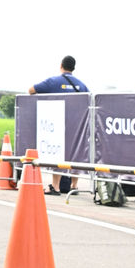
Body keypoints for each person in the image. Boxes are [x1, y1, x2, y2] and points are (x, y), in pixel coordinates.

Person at [28, 56, 89, 195]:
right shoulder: (81, 85)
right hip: (77, 124)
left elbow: (31, 90)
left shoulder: (53, 81)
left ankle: (55, 187)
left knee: (58, 154)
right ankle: (74, 186)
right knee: (75, 153)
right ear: (73, 68)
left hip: (57, 124)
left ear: (61, 65)